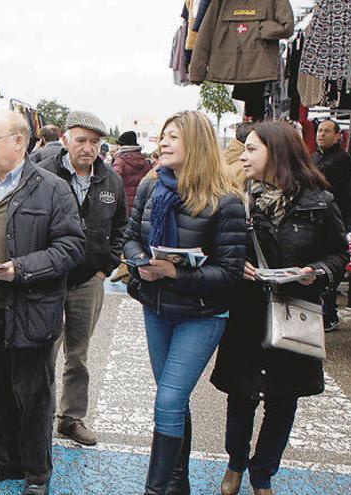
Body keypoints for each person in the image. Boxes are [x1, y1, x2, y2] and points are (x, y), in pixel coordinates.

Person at [0, 111, 86, 495]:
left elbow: (72, 247)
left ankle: (36, 473)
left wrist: (22, 269)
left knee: (33, 398)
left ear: (19, 142)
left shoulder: (52, 189)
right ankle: (2, 461)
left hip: (29, 312)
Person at [212, 121, 346, 495]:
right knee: (241, 395)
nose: (245, 155)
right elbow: (215, 249)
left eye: (252, 148)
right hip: (247, 312)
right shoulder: (235, 198)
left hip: (296, 311)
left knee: (283, 400)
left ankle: (262, 474)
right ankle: (235, 463)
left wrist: (316, 272)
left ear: (277, 153)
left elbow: (338, 253)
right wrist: (234, 265)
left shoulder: (319, 201)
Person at [123, 110, 246, 495]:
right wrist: (140, 261)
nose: (163, 142)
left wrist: (175, 272)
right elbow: (128, 237)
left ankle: (156, 489)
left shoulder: (225, 201)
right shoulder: (150, 187)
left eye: (173, 136)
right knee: (172, 399)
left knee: (169, 398)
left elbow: (230, 272)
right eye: (163, 135)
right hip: (157, 306)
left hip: (202, 312)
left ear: (196, 143)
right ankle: (177, 483)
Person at [36, 111, 128, 447]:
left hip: (89, 279)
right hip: (48, 279)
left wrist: (106, 266)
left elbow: (121, 227)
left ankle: (71, 418)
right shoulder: (42, 175)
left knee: (78, 353)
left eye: (94, 142)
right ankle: (39, 419)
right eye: (81, 140)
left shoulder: (111, 180)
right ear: (65, 140)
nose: (88, 148)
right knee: (44, 351)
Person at [311, 119, 351, 331]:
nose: (322, 134)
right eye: (319, 130)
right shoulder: (315, 156)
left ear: (337, 135)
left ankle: (329, 313)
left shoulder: (341, 159)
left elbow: (321, 179)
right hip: (315, 221)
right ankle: (323, 311)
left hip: (336, 220)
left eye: (327, 131)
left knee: (330, 264)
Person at [113, 130, 152, 212]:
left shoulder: (120, 160)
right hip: (141, 203)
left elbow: (114, 183)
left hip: (124, 205)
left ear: (123, 146)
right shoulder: (145, 161)